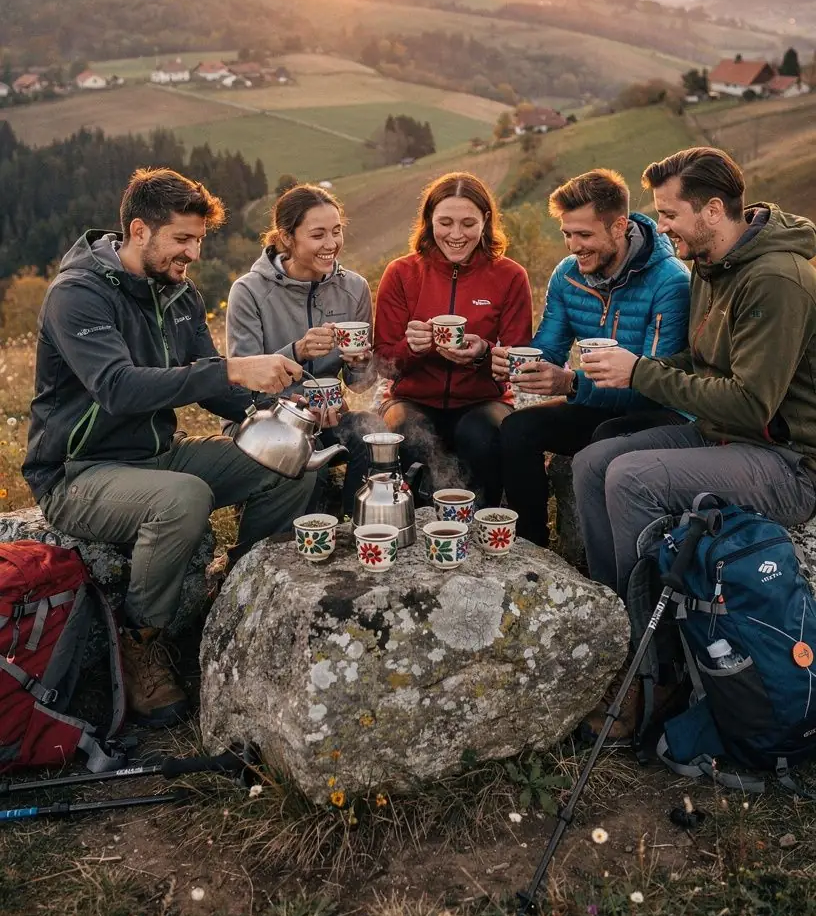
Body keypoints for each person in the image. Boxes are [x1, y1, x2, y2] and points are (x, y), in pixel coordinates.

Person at [24, 168, 316, 728]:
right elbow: (118, 388)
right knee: (183, 497)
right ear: (139, 230)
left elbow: (219, 390)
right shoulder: (77, 295)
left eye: (198, 240)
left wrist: (289, 412)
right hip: (78, 473)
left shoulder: (179, 292)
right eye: (182, 239)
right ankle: (140, 642)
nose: (193, 253)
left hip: (157, 455)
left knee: (289, 464)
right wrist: (231, 369)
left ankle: (239, 594)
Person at [573, 148, 816, 737]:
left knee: (633, 477)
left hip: (786, 463)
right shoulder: (714, 263)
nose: (659, 228)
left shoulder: (777, 280)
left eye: (668, 214)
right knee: (592, 461)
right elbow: (705, 363)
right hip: (727, 439)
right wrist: (635, 365)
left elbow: (751, 402)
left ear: (712, 210)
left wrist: (642, 374)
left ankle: (655, 675)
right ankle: (621, 638)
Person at [495, 168, 690, 545]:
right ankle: (533, 547)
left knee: (605, 436)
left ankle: (617, 560)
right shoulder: (568, 275)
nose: (573, 246)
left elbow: (654, 384)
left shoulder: (670, 281)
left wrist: (570, 383)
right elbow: (549, 348)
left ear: (619, 226)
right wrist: (507, 361)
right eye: (567, 234)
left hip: (659, 411)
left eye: (584, 235)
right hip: (598, 401)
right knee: (517, 429)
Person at [373, 171, 533, 505]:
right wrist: (412, 348)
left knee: (480, 436)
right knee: (407, 437)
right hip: (410, 399)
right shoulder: (401, 273)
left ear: (485, 221)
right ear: (429, 220)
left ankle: (486, 527)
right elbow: (384, 363)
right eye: (445, 222)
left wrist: (482, 354)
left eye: (468, 223)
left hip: (484, 401)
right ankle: (406, 528)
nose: (456, 235)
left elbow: (517, 362)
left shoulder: (510, 276)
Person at [227, 183, 377, 514]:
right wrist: (297, 351)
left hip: (327, 415)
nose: (331, 244)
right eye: (318, 235)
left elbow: (360, 384)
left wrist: (360, 363)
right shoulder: (249, 292)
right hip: (265, 419)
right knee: (306, 464)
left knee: (374, 436)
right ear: (286, 236)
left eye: (336, 232)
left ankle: (359, 530)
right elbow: (241, 382)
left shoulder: (354, 289)